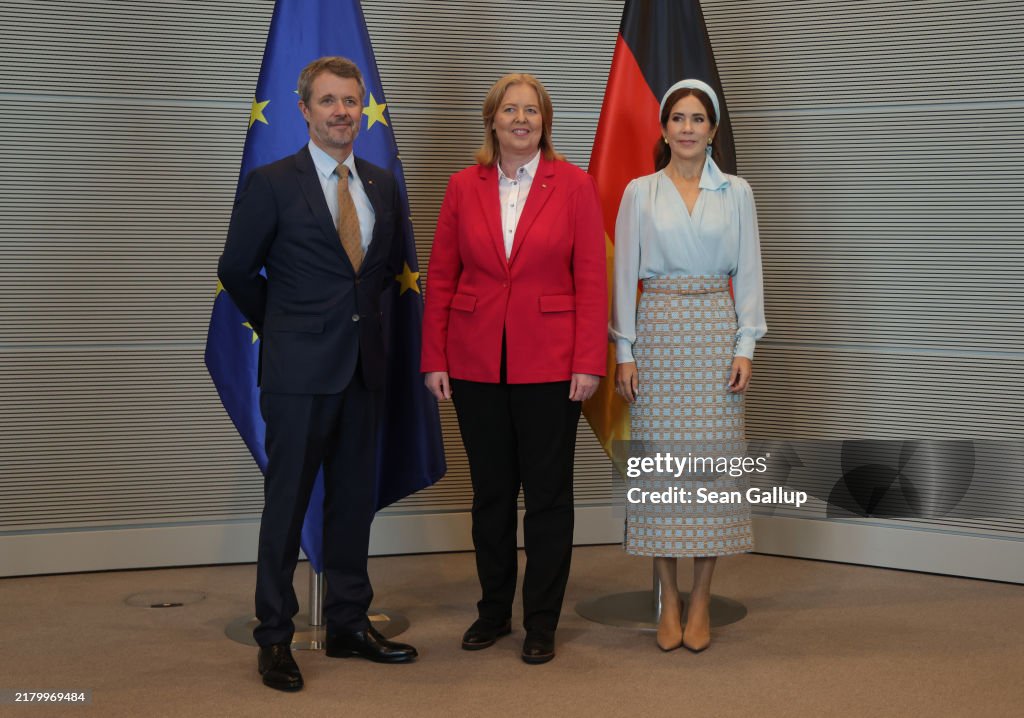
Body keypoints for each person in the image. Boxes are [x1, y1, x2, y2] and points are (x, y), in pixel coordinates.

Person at [218, 56, 417, 692]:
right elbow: (237, 268)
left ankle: (350, 624)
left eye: (350, 101)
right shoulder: (273, 181)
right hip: (298, 372)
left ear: (363, 109)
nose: (340, 112)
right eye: (327, 101)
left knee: (354, 503)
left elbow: (382, 275)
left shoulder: (383, 184)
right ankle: (275, 636)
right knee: (286, 506)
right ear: (304, 110)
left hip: (363, 370)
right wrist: (283, 328)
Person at [421, 73, 606, 664]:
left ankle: (542, 621)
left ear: (545, 121)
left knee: (549, 497)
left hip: (552, 365)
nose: (521, 119)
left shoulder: (574, 186)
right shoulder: (461, 186)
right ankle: (493, 611)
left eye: (532, 110)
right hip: (475, 363)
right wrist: (435, 358)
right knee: (491, 496)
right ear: (492, 121)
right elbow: (443, 275)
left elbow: (591, 281)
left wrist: (588, 361)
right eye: (510, 110)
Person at [610, 78, 766, 653]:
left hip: (716, 333)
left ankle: (701, 596)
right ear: (664, 127)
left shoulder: (738, 192)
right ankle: (667, 596)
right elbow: (625, 273)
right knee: (661, 472)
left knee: (713, 472)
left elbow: (748, 271)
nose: (687, 128)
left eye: (698, 119)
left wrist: (745, 344)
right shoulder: (639, 192)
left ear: (713, 129)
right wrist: (624, 351)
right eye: (677, 118)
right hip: (658, 332)